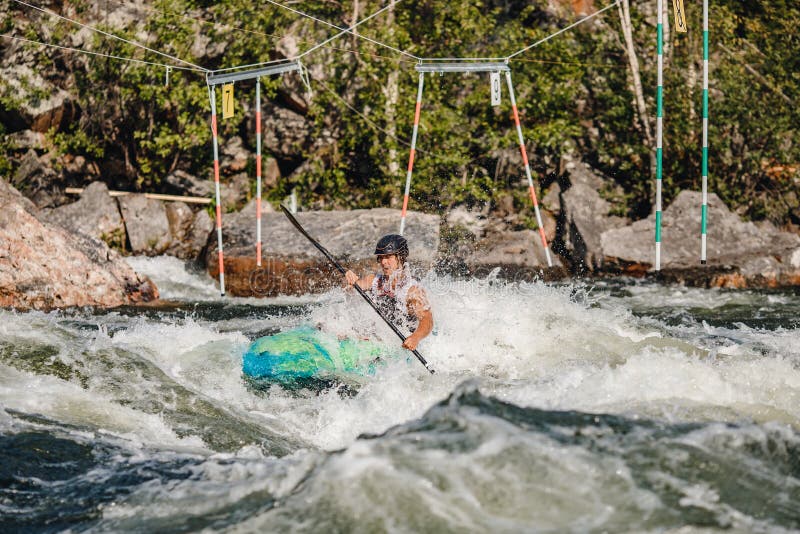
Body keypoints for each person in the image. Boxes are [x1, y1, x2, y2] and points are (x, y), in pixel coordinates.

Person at [344, 234, 433, 351]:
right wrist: (350, 281)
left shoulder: (413, 290)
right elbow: (349, 291)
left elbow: (427, 320)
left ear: (400, 257)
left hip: (403, 344)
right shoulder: (373, 280)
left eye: (388, 257)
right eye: (381, 257)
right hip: (379, 338)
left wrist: (415, 337)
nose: (383, 262)